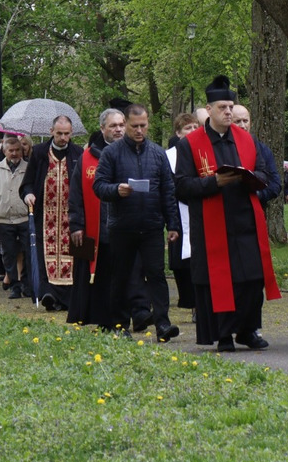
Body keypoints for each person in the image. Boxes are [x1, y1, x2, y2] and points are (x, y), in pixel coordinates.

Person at [175, 77, 281, 352]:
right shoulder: (190, 144)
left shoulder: (247, 140)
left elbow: (263, 174)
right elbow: (181, 186)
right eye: (222, 107)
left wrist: (249, 178)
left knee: (251, 279)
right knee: (217, 280)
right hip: (211, 225)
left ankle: (247, 330)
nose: (229, 112)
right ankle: (223, 335)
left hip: (245, 221)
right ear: (208, 110)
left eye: (231, 106)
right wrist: (214, 183)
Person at [93, 103, 182, 341]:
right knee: (120, 276)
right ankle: (120, 324)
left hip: (152, 225)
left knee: (157, 275)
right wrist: (116, 190)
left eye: (143, 125)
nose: (139, 130)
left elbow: (168, 191)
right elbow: (98, 186)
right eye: (134, 126)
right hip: (122, 226)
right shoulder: (112, 153)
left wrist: (173, 224)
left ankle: (162, 324)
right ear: (127, 125)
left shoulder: (157, 153)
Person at [68, 108, 125, 327]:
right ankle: (100, 318)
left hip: (126, 227)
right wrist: (76, 224)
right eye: (113, 126)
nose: (118, 129)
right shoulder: (87, 157)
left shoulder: (134, 151)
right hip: (97, 228)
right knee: (98, 277)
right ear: (102, 129)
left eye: (121, 125)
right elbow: (76, 193)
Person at [22, 116, 84, 310]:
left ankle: (73, 297)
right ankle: (47, 294)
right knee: (44, 256)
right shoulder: (40, 153)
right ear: (51, 131)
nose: (63, 138)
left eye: (67, 134)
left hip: (72, 217)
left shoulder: (79, 153)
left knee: (75, 254)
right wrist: (28, 194)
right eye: (59, 134)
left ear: (71, 133)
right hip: (45, 218)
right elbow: (28, 182)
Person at [0, 136, 31, 299]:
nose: (15, 153)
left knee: (28, 252)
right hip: (3, 218)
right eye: (11, 151)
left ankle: (26, 283)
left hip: (24, 218)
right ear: (4, 151)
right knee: (8, 253)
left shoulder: (29, 168)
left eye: (17, 150)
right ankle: (14, 286)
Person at [165, 113, 202, 314]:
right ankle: (189, 299)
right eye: (188, 128)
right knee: (181, 260)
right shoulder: (168, 156)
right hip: (178, 212)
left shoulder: (204, 152)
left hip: (201, 209)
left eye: (196, 126)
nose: (193, 131)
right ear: (178, 133)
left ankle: (200, 304)